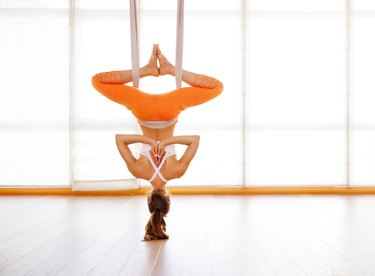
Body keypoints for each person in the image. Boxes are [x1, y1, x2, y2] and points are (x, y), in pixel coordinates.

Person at [92, 44, 223, 141]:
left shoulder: (173, 171)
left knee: (216, 87)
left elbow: (194, 141)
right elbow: (120, 140)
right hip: (151, 108)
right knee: (97, 81)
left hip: (159, 107)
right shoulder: (144, 170)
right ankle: (163, 69)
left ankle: (151, 70)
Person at [115, 133, 200, 240]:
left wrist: (166, 142)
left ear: (168, 198)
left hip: (168, 119)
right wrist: (149, 141)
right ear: (148, 198)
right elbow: (119, 139)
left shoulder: (177, 172)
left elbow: (195, 140)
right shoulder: (138, 171)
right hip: (145, 119)